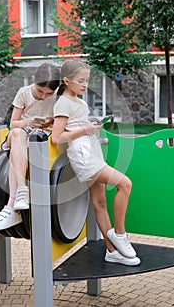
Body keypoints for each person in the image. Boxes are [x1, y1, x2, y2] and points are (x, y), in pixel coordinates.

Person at [51, 59, 140, 266]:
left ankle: (111, 251)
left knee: (100, 203)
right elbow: (57, 138)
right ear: (66, 80)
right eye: (80, 81)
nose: (85, 85)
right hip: (82, 156)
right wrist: (86, 130)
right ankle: (120, 234)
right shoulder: (63, 102)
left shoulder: (78, 102)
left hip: (91, 151)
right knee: (125, 184)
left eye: (87, 80)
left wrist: (89, 127)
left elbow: (72, 126)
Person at [0, 63, 60, 231]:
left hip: (42, 140)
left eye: (48, 93)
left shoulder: (57, 96)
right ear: (33, 80)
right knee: (18, 133)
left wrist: (50, 121)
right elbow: (13, 123)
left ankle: (12, 206)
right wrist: (28, 121)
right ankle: (20, 192)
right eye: (40, 91)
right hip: (22, 134)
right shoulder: (24, 93)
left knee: (18, 151)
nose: (43, 96)